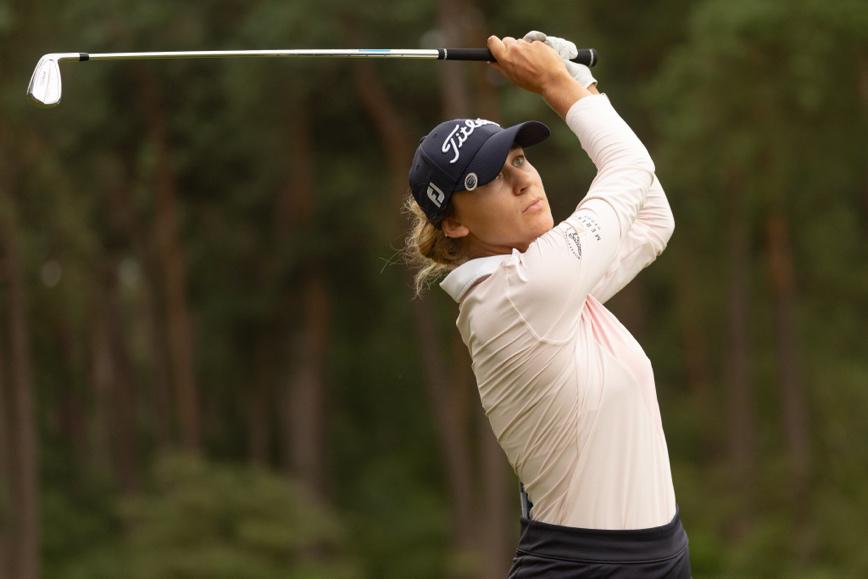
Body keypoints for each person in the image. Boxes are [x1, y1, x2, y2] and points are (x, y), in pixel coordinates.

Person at [404, 31, 692, 578]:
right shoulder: (524, 293)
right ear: (456, 223)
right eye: (491, 178)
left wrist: (578, 81)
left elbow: (653, 219)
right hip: (586, 566)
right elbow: (630, 167)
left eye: (518, 159)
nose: (523, 181)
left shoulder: (541, 288)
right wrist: (557, 83)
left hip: (658, 555)